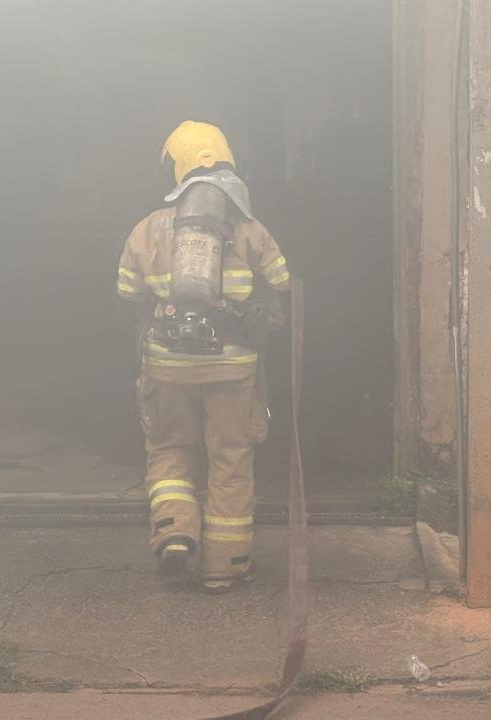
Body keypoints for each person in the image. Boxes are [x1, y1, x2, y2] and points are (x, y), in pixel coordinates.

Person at [116, 121, 290, 592]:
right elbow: (281, 287)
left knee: (170, 449)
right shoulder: (251, 229)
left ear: (177, 169)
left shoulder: (147, 229)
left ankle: (174, 532)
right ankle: (226, 564)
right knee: (230, 458)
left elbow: (127, 292)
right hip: (234, 369)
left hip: (166, 366)